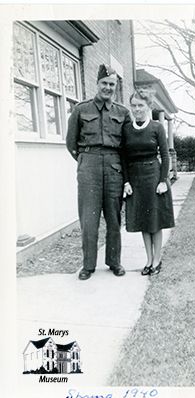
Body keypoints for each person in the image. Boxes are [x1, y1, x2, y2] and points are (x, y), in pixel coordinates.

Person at [66, 64, 131, 280]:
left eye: (112, 84)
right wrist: (86, 161)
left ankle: (114, 261)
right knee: (89, 219)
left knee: (114, 218)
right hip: (89, 167)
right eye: (104, 83)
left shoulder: (122, 112)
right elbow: (71, 143)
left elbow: (127, 146)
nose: (108, 87)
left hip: (114, 167)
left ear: (115, 86)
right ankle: (88, 266)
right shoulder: (81, 109)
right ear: (97, 84)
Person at [122, 90, 175, 275]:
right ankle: (149, 260)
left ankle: (157, 260)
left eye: (140, 105)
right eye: (134, 105)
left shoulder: (157, 127)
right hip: (135, 179)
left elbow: (166, 155)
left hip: (153, 176)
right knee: (144, 222)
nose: (137, 109)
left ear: (148, 107)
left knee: (155, 221)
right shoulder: (127, 129)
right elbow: (124, 158)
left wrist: (163, 180)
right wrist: (126, 182)